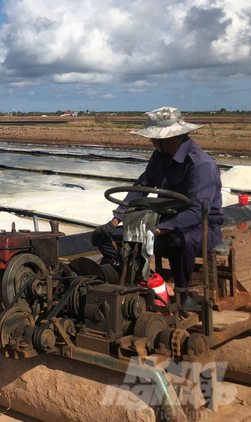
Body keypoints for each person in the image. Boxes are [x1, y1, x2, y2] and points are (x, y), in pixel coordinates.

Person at [92, 107, 223, 308]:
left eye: (154, 137)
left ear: (170, 137)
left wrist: (158, 230)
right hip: (164, 224)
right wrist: (114, 221)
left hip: (202, 228)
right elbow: (141, 188)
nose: (151, 141)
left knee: (180, 240)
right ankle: (143, 282)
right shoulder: (160, 156)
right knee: (106, 239)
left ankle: (182, 295)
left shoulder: (200, 165)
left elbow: (197, 211)